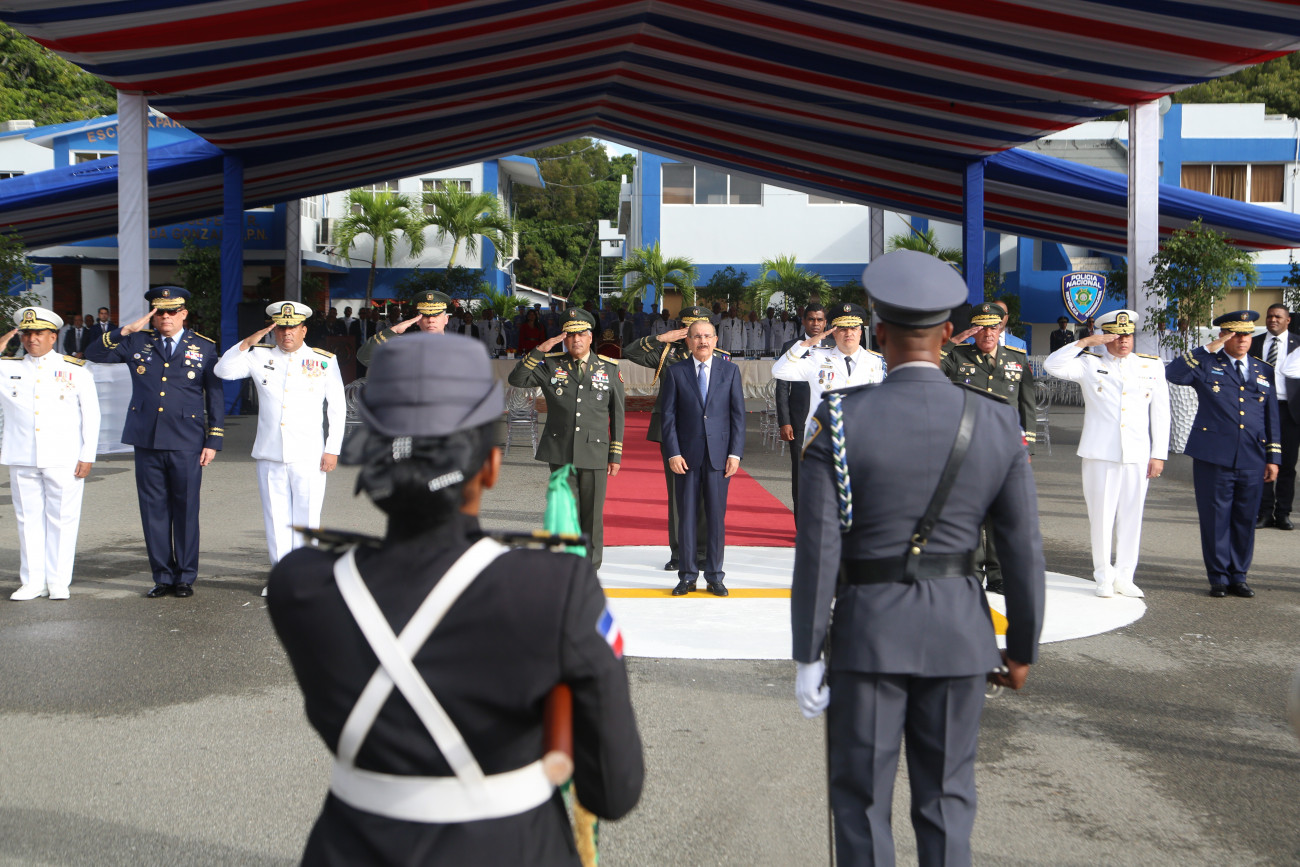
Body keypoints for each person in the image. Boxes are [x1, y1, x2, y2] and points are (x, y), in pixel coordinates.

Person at [267, 333, 643, 865]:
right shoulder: (555, 589)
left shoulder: (301, 584)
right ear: (491, 464)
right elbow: (613, 790)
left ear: (371, 459)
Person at [792, 249, 1045, 867]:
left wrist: (807, 652)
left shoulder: (840, 419)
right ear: (949, 333)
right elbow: (1021, 550)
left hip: (869, 636)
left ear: (879, 332)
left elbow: (818, 548)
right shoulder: (995, 421)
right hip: (960, 635)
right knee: (947, 804)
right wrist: (1021, 648)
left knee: (861, 806)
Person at [85, 286, 224, 598]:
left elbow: (214, 394)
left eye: (172, 311)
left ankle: (185, 576)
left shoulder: (203, 347)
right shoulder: (136, 341)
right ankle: (162, 576)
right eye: (160, 312)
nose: (166, 317)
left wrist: (213, 439)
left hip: (186, 440)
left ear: (184, 313)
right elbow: (94, 354)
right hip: (147, 438)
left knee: (186, 508)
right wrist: (124, 330)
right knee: (153, 510)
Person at [214, 301, 346, 591]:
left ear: (303, 330)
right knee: (276, 519)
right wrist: (248, 342)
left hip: (309, 453)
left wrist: (332, 448)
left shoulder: (323, 360)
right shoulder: (258, 355)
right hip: (270, 452)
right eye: (282, 328)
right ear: (274, 331)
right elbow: (223, 370)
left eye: (293, 328)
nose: (287, 333)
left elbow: (337, 407)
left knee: (307, 517)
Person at [1044, 309, 1169, 598]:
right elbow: (1052, 365)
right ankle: (1103, 575)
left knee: (1132, 516)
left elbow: (1161, 413)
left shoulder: (1151, 366)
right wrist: (1084, 342)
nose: (1123, 341)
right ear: (1105, 337)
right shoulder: (1089, 363)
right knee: (1101, 517)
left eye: (1127, 335)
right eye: (1116, 336)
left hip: (1137, 453)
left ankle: (1125, 575)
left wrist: (1159, 454)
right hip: (1100, 452)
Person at [1166, 311, 1280, 598]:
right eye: (1236, 334)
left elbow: (1271, 416)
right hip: (1214, 455)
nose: (1243, 339)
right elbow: (1173, 374)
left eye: (1247, 334)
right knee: (1215, 518)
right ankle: (1218, 577)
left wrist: (1273, 457)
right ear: (1224, 336)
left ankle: (1239, 576)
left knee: (1245, 518)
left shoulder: (1263, 369)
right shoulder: (1207, 363)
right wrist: (1208, 348)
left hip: (1252, 456)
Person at [508, 308, 624, 571]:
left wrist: (615, 454)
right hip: (561, 450)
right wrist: (540, 350)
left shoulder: (608, 368)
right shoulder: (551, 365)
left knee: (592, 514)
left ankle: (590, 567)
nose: (576, 340)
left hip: (595, 451)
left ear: (591, 337)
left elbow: (617, 414)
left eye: (581, 334)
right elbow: (517, 379)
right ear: (563, 338)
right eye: (570, 335)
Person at [0, 307, 100, 601]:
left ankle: (58, 581)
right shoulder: (8, 368)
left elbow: (91, 415)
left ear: (53, 337)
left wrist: (87, 455)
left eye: (38, 333)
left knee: (62, 519)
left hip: (64, 456)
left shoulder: (76, 369)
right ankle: (32, 582)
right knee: (27, 521)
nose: (31, 339)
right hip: (23, 456)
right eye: (26, 333)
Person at [941, 301, 1037, 593]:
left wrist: (1027, 447)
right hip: (967, 445)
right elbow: (931, 365)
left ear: (1000, 328)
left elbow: (1027, 405)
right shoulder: (957, 356)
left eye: (993, 328)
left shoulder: (1017, 358)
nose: (988, 334)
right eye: (981, 328)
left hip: (1005, 448)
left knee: (1001, 512)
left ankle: (999, 574)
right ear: (973, 330)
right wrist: (954, 340)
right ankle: (972, 571)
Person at [622, 306, 721, 571]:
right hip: (674, 432)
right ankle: (679, 553)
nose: (696, 334)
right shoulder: (667, 353)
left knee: (705, 494)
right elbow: (629, 351)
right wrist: (661, 338)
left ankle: (702, 553)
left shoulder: (718, 356)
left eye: (701, 329)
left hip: (707, 432)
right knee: (678, 494)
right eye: (689, 328)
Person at [660, 319, 745, 597]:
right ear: (688, 341)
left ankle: (715, 576)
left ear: (716, 340)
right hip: (686, 457)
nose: (703, 341)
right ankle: (687, 576)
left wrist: (735, 453)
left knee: (716, 519)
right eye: (697, 336)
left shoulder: (730, 371)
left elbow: (738, 416)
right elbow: (668, 416)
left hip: (719, 457)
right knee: (686, 518)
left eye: (707, 336)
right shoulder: (676, 372)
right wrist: (673, 452)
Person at [772, 302, 885, 436]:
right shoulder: (817, 358)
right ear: (834, 333)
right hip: (823, 439)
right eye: (843, 329)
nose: (849, 333)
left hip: (862, 437)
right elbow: (778, 371)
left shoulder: (877, 362)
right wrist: (805, 344)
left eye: (853, 328)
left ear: (860, 332)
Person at [774, 304, 830, 521]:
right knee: (800, 473)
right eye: (811, 319)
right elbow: (782, 387)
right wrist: (784, 421)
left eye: (820, 319)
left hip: (828, 421)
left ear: (825, 322)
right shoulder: (792, 346)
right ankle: (802, 525)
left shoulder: (834, 347)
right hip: (799, 421)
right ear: (804, 321)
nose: (816, 323)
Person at [1250, 304, 1297, 530]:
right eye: (1270, 316)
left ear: (1288, 320)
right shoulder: (1254, 343)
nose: (1273, 320)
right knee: (1263, 461)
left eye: (1278, 316)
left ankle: (1283, 513)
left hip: (1289, 410)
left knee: (1287, 464)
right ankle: (1265, 512)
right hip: (1260, 409)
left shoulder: (1298, 344)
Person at [357, 290, 452, 369]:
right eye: (425, 316)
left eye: (436, 316)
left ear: (446, 319)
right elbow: (364, 357)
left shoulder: (458, 348)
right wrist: (393, 331)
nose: (431, 320)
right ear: (418, 320)